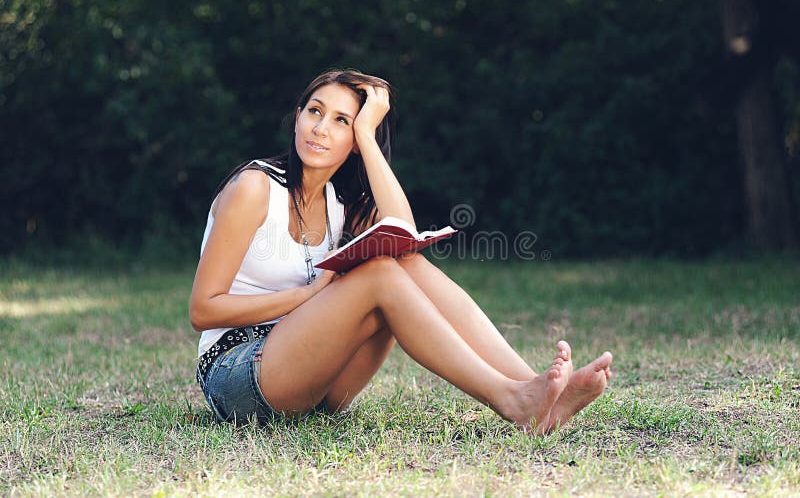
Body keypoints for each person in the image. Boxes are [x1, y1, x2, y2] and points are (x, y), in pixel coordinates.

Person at [189, 69, 612, 434]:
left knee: (403, 260)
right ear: (296, 117)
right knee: (381, 275)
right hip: (237, 371)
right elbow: (203, 311)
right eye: (314, 111)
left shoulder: (340, 206)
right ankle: (511, 400)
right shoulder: (254, 187)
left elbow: (402, 232)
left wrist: (369, 139)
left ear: (354, 139)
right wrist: (305, 296)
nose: (320, 128)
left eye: (341, 121)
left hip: (311, 377)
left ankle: (538, 393)